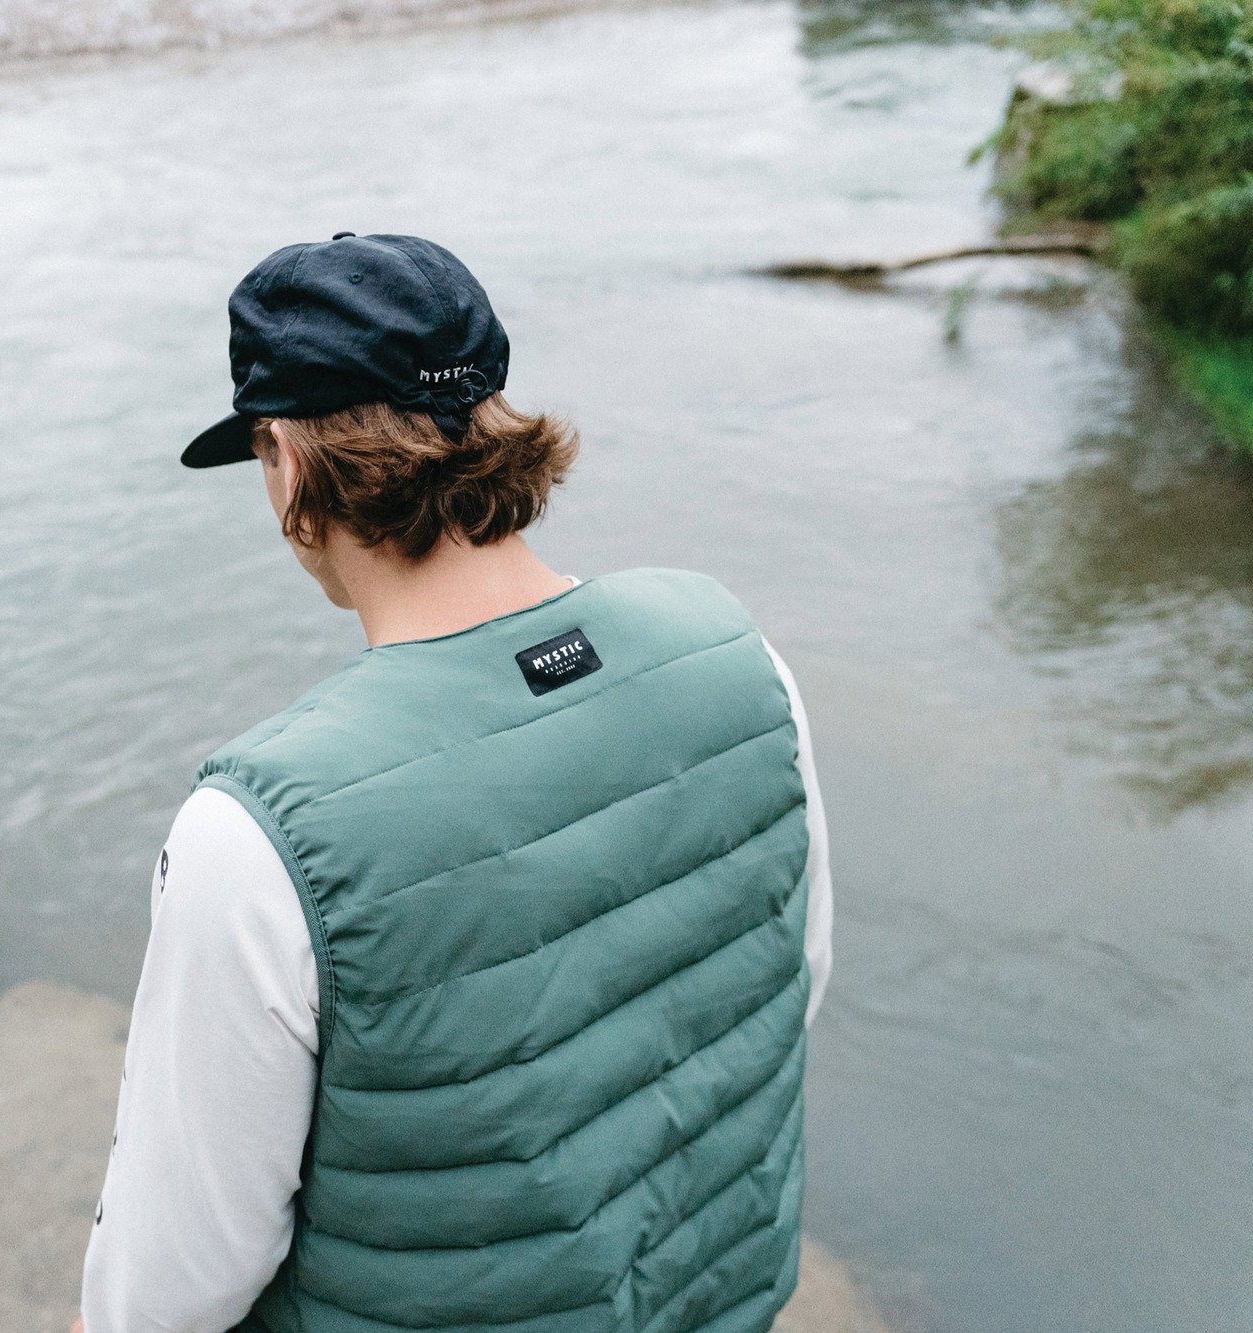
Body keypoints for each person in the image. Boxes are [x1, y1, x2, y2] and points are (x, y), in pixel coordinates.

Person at [78, 233, 832, 1333]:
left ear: (285, 461)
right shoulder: (738, 655)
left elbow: (167, 1289)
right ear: (490, 411)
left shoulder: (252, 837)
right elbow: (787, 986)